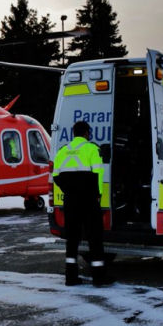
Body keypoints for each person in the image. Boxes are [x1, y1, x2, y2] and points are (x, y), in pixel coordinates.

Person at [52, 121, 114, 286]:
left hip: (71, 201)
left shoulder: (62, 151)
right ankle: (99, 278)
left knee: (72, 239)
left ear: (74, 133)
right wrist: (97, 195)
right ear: (87, 133)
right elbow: (98, 175)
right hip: (88, 201)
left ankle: (70, 278)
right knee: (94, 238)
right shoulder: (92, 149)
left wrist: (69, 189)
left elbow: (56, 176)